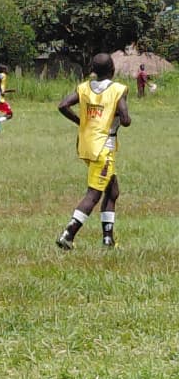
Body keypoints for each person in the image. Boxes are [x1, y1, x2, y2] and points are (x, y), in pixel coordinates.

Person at [56, 53, 130, 250]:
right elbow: (126, 120)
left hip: (86, 145)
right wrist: (121, 113)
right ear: (113, 69)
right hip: (104, 148)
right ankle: (68, 234)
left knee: (112, 190)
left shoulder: (84, 88)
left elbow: (63, 105)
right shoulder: (117, 90)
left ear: (94, 71)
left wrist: (81, 122)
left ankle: (108, 238)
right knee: (94, 194)